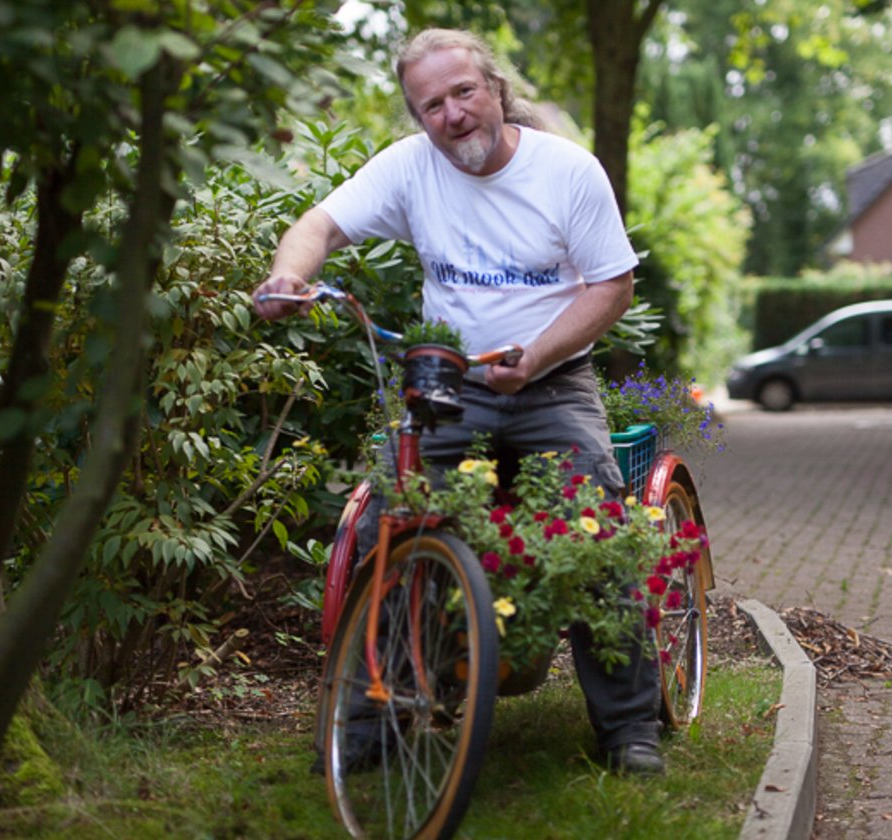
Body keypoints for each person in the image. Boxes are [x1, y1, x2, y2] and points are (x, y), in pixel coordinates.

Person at [252, 28, 663, 774]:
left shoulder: (567, 171)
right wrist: (288, 276)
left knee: (592, 520)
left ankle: (629, 727)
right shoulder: (410, 168)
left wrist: (536, 356)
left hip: (552, 382)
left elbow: (613, 286)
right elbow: (320, 225)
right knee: (390, 519)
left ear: (496, 90)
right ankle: (372, 717)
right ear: (419, 117)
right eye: (431, 105)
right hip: (454, 385)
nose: (452, 114)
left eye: (463, 92)